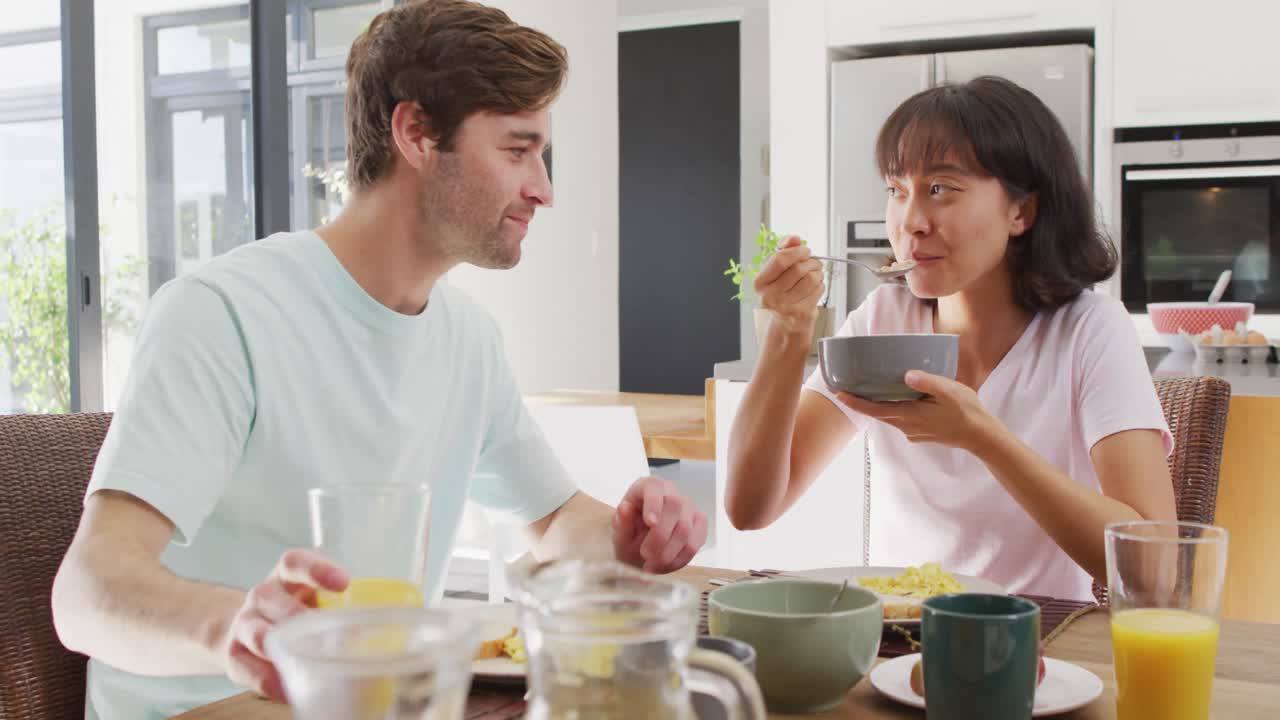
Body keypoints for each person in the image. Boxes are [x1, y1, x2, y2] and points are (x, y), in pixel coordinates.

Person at [51, 2, 707, 717]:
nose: (543, 189)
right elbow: (86, 594)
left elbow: (552, 524)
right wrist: (234, 628)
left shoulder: (468, 339)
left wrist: (623, 537)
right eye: (518, 151)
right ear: (416, 133)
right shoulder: (223, 314)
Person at [725, 76, 1176, 602]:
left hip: (1037, 643)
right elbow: (750, 508)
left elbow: (1153, 570)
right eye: (896, 190)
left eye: (941, 189)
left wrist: (983, 438)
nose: (910, 222)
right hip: (895, 639)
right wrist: (787, 334)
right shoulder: (884, 318)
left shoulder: (1088, 331)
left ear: (1021, 212)